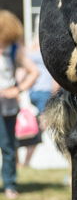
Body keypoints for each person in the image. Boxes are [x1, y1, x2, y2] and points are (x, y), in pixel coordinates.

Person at [0, 10, 39, 199]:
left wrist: (18, 89)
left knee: (8, 146)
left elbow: (34, 72)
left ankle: (9, 185)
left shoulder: (14, 50)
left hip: (7, 106)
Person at [19, 37, 59, 167]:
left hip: (37, 91)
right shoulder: (42, 51)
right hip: (41, 91)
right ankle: (31, 139)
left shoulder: (30, 52)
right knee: (41, 124)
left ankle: (26, 157)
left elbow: (24, 72)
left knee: (40, 124)